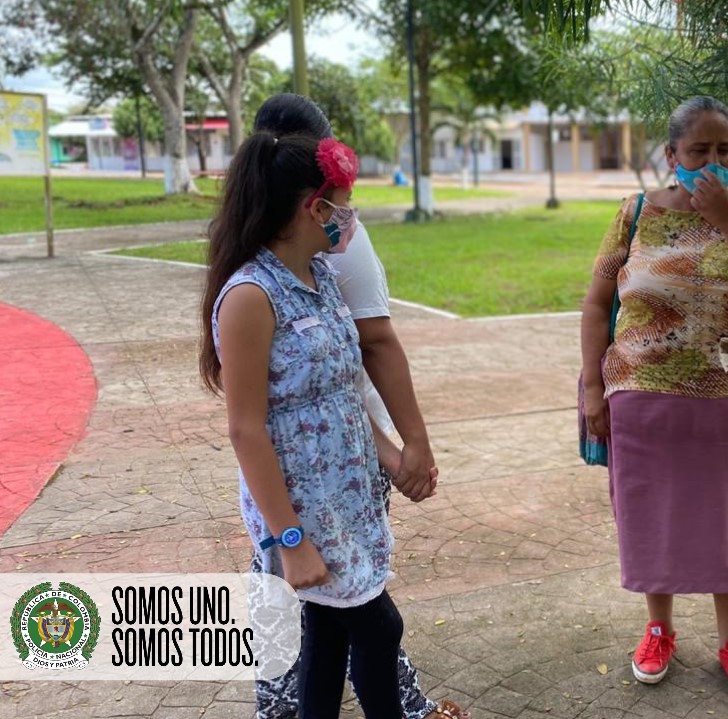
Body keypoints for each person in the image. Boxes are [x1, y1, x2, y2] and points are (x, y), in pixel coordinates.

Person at [243, 94, 465, 719]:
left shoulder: (318, 276)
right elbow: (246, 429)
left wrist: (393, 453)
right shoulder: (252, 294)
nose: (351, 219)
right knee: (375, 626)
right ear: (312, 206)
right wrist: (289, 538)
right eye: (342, 205)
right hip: (303, 502)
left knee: (327, 635)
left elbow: (340, 388)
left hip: (344, 488)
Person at [580, 96, 728, 705]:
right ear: (670, 154)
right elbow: (597, 303)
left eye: (724, 150)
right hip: (645, 398)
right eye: (699, 150)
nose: (712, 161)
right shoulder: (634, 212)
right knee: (655, 517)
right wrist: (593, 385)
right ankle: (659, 629)